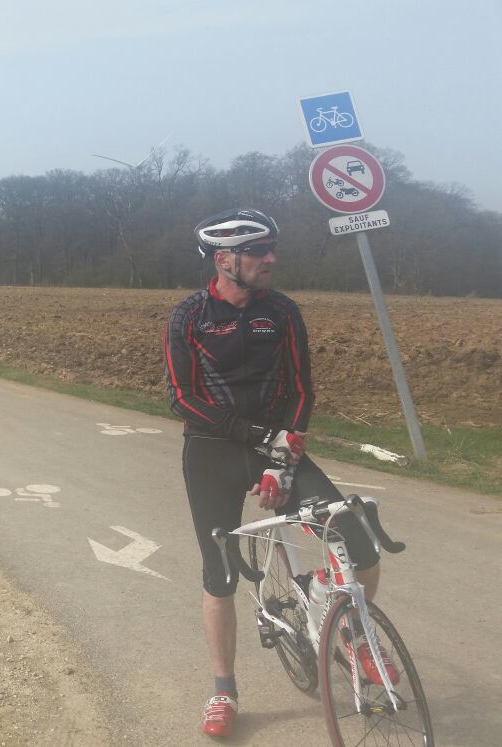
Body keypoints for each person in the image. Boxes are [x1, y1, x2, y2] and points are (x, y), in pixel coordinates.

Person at [164, 208, 384, 739]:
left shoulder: (282, 311)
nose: (271, 259)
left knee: (357, 540)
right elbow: (184, 398)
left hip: (278, 447)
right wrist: (260, 438)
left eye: (271, 249)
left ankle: (352, 641)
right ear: (224, 260)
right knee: (218, 574)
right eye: (258, 251)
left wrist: (284, 457)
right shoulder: (189, 316)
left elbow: (303, 388)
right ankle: (223, 689)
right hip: (212, 452)